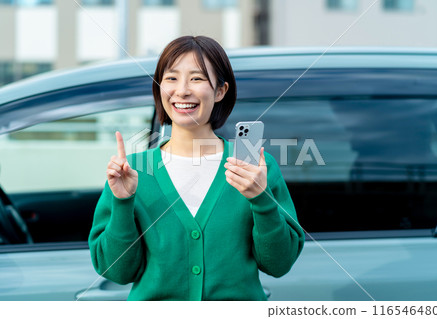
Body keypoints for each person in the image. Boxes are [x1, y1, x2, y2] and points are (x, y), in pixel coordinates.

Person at [88, 35, 304, 301]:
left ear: (220, 91)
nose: (182, 90)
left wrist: (262, 201)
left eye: (197, 78)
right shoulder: (131, 171)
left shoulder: (256, 168)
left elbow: (279, 264)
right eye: (171, 78)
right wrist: (122, 203)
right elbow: (117, 272)